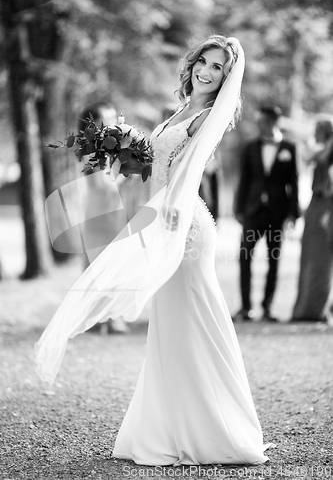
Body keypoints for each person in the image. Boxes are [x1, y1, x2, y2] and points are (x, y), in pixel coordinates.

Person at [35, 35, 273, 465]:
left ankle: (218, 430)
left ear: (226, 77)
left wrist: (171, 216)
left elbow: (188, 170)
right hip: (161, 212)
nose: (206, 70)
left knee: (197, 319)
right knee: (170, 326)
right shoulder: (181, 110)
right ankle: (170, 423)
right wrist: (121, 151)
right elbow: (156, 165)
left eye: (218, 67)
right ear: (194, 62)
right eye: (204, 61)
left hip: (182, 221)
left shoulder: (208, 116)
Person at [234, 106, 300, 321]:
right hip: (253, 212)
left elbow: (294, 181)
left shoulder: (290, 148)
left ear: (273, 122)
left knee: (273, 259)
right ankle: (245, 307)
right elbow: (244, 179)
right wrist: (239, 208)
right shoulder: (250, 147)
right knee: (245, 256)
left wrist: (293, 213)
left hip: (277, 213)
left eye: (262, 121)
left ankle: (267, 307)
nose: (258, 125)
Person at [78, 101, 129, 334]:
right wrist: (128, 171)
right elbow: (104, 184)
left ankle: (107, 317)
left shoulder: (108, 151)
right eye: (106, 119)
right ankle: (100, 318)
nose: (112, 123)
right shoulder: (90, 151)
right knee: (100, 269)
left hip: (111, 214)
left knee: (112, 267)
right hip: (98, 216)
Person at [292, 116, 333, 322]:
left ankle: (314, 309)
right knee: (310, 257)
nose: (314, 134)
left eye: (317, 130)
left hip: (325, 206)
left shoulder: (329, 152)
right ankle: (307, 308)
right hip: (316, 205)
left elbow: (308, 156)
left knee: (320, 259)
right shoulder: (324, 150)